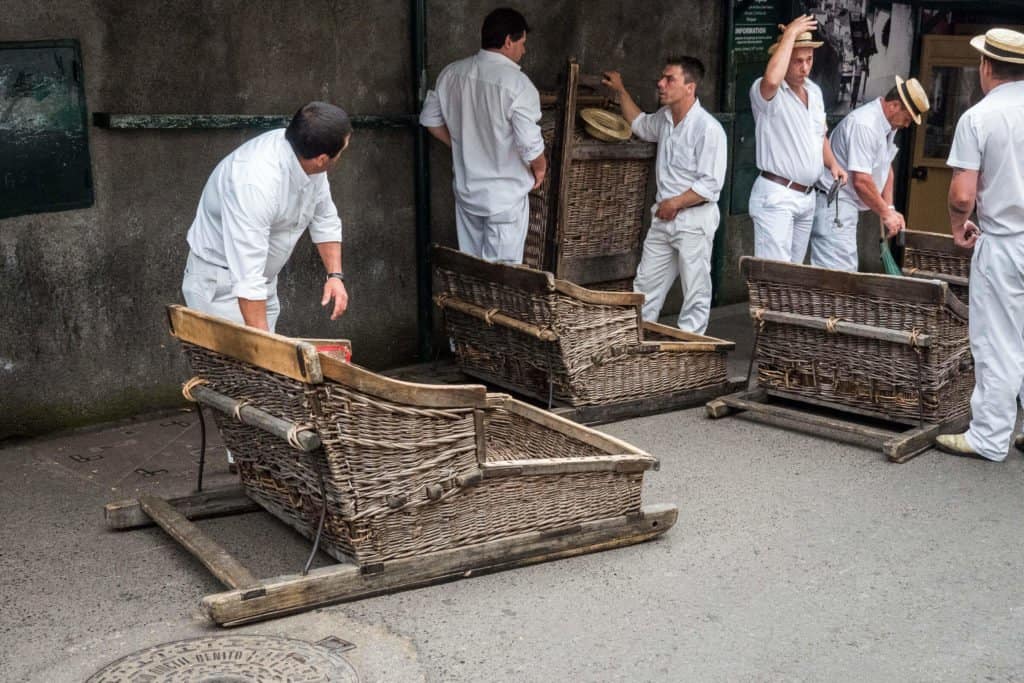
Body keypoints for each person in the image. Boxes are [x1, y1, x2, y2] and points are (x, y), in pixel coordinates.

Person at [182, 101, 351, 332]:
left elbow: (324, 217)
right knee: (237, 366)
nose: (341, 156)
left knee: (258, 365)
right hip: (222, 287)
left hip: (263, 284)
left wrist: (335, 275)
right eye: (341, 151)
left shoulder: (307, 157)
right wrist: (264, 350)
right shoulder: (255, 183)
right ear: (323, 159)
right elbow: (246, 278)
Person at [934, 28, 1024, 462]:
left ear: (986, 67)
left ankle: (989, 436)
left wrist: (958, 226)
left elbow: (961, 194)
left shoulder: (979, 117)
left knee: (998, 341)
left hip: (1005, 242)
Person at [602, 57, 727, 334]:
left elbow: (710, 185)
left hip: (693, 219)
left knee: (695, 289)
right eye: (662, 77)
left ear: (689, 87)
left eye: (670, 79)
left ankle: (690, 350)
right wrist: (621, 90)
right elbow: (640, 124)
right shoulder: (665, 119)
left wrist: (676, 203)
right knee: (645, 285)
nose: (661, 83)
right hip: (664, 217)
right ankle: (636, 343)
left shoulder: (709, 130)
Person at [419, 7, 546, 264]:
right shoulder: (519, 85)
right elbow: (530, 145)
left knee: (473, 273)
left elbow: (430, 120)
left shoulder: (451, 73)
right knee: (502, 280)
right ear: (509, 41)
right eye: (522, 43)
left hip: (467, 195)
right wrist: (541, 168)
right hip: (504, 198)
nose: (524, 51)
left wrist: (460, 144)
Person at [749, 16, 846, 263]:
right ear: (783, 59)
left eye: (809, 60)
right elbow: (772, 79)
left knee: (793, 277)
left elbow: (819, 134)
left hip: (807, 196)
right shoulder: (766, 89)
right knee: (774, 275)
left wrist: (833, 163)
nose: (804, 67)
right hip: (777, 194)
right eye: (797, 61)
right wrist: (790, 34)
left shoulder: (814, 91)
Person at [807, 76, 930, 271]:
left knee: (843, 273)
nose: (907, 125)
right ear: (894, 106)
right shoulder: (866, 125)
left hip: (845, 205)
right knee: (836, 276)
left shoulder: (888, 125)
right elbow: (862, 181)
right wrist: (885, 213)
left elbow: (885, 166)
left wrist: (888, 207)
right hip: (835, 205)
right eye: (907, 119)